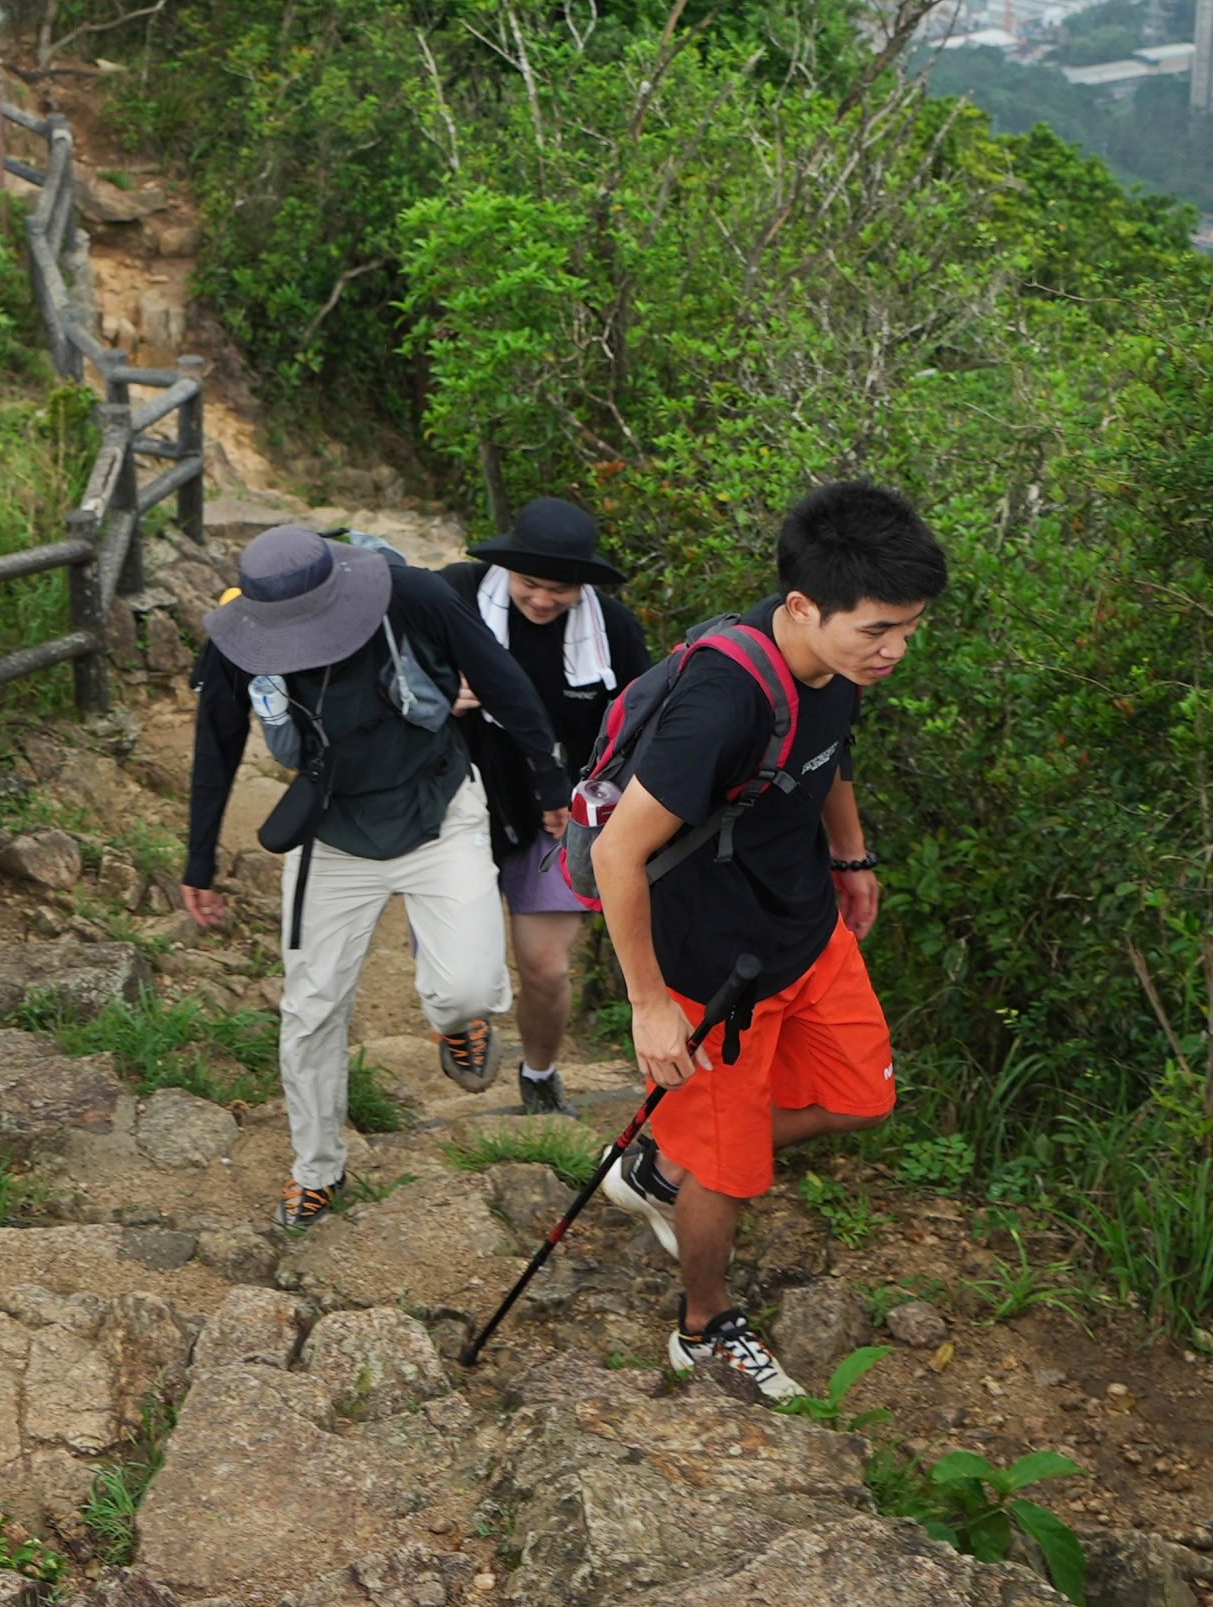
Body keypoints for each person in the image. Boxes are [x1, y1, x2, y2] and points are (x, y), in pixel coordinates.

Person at [587, 479, 942, 1401]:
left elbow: (827, 755)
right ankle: (701, 1324)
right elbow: (619, 851)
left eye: (908, 627)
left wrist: (850, 855)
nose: (896, 649)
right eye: (877, 629)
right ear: (800, 606)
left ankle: (666, 1157)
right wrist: (650, 1004)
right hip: (714, 969)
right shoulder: (722, 703)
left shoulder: (834, 667)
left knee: (863, 1099)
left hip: (806, 933)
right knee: (730, 1171)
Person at [183, 524, 565, 1230]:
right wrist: (198, 859)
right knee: (311, 1010)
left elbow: (504, 681)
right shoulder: (236, 639)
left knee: (469, 987)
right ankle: (317, 1169)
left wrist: (550, 782)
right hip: (329, 828)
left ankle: (454, 1023)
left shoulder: (413, 595)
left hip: (437, 805)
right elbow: (217, 740)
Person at [443, 497, 651, 1114]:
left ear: (581, 585)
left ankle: (539, 1072)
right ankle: (458, 1019)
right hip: (462, 801)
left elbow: (637, 724)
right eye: (529, 584)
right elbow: (388, 664)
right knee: (461, 969)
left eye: (558, 589)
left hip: (558, 812)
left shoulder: (612, 630)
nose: (540, 600)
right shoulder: (453, 596)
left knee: (546, 966)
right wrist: (435, 689)